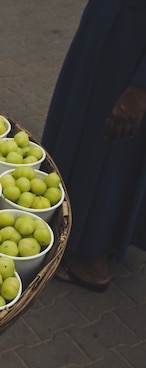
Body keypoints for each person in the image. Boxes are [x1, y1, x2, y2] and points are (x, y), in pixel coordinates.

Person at [41, 0, 146, 292]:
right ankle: (102, 237)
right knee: (100, 140)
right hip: (112, 29)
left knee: (107, 144)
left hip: (128, 43)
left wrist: (140, 87)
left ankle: (90, 259)